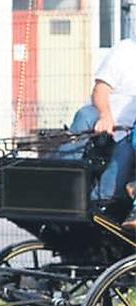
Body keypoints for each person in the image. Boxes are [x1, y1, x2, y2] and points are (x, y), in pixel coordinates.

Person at [67, 35, 136, 228]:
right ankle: (63, 186)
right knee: (85, 115)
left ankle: (100, 208)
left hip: (128, 134)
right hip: (105, 123)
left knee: (124, 154)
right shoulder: (126, 50)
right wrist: (105, 116)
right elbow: (100, 90)